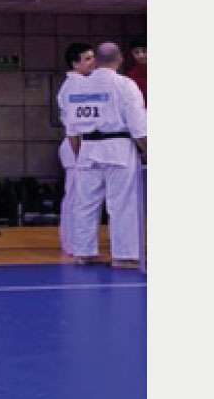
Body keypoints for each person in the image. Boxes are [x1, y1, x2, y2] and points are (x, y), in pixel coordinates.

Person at [61, 42, 147, 267]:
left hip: (87, 147)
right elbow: (138, 125)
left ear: (96, 61)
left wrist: (81, 154)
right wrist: (147, 150)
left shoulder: (77, 87)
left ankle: (84, 252)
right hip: (118, 146)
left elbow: (71, 128)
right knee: (122, 204)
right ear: (120, 60)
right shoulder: (125, 85)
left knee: (86, 203)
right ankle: (124, 255)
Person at [56, 42, 96, 256]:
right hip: (75, 144)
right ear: (75, 63)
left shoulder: (81, 83)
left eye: (93, 57)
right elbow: (74, 124)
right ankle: (71, 244)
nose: (93, 62)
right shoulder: (74, 85)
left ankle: (75, 243)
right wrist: (78, 151)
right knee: (75, 197)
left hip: (82, 144)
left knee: (80, 197)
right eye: (87, 58)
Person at [126, 37, 147, 106]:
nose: (141, 55)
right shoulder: (131, 76)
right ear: (132, 54)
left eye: (144, 51)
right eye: (136, 52)